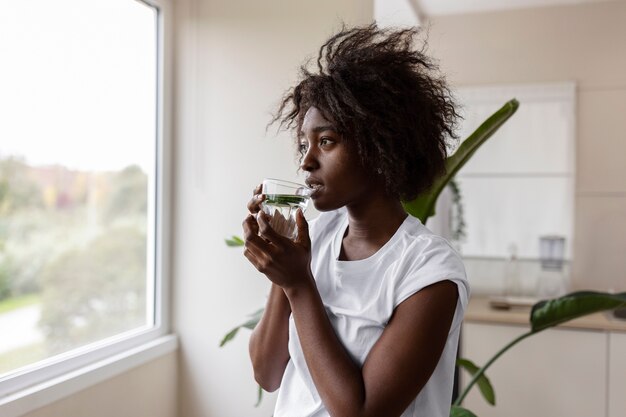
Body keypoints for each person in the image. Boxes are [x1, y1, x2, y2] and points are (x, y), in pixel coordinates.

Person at [242, 24, 469, 417]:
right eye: (303, 144)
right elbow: (267, 372)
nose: (306, 161)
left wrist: (298, 284)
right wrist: (283, 268)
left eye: (326, 141)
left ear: (381, 146)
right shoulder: (317, 237)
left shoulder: (429, 272)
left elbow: (361, 413)